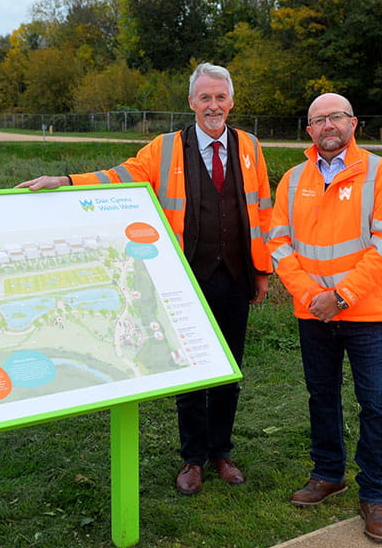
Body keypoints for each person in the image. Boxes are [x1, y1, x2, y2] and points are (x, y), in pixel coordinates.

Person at [16, 62, 273, 495]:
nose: (214, 105)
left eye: (220, 97)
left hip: (234, 276)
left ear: (231, 101)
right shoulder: (164, 148)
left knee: (229, 367)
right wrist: (65, 181)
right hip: (185, 278)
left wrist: (262, 271)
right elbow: (118, 177)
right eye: (205, 97)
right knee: (192, 367)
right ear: (191, 102)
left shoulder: (250, 147)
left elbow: (263, 211)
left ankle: (221, 452)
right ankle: (193, 458)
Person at [267, 93, 382, 542]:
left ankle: (376, 495)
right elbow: (279, 244)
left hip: (366, 313)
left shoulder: (381, 172)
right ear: (308, 130)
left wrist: (342, 296)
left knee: (378, 402)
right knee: (321, 396)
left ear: (354, 123)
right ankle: (328, 472)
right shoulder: (292, 179)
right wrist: (314, 296)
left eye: (336, 117)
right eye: (318, 119)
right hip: (314, 314)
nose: (328, 125)